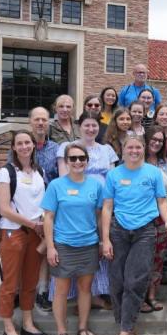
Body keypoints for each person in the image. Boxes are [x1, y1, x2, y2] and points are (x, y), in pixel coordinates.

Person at [98, 136, 167, 335]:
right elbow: (107, 207)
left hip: (145, 231)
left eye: (138, 147)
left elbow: (162, 201)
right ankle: (126, 326)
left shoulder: (153, 173)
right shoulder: (114, 174)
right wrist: (105, 239)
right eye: (129, 147)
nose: (134, 150)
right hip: (118, 231)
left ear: (143, 149)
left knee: (135, 281)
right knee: (116, 281)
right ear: (123, 150)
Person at [42, 143, 104, 335]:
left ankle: (83, 327)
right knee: (61, 290)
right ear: (66, 162)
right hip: (64, 245)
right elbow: (48, 217)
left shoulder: (95, 186)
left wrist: (102, 239)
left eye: (81, 158)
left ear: (87, 161)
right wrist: (50, 247)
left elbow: (99, 215)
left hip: (88, 244)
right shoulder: (56, 186)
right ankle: (61, 332)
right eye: (73, 158)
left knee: (85, 289)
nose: (78, 162)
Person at [56, 112, 118, 311]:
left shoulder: (106, 149)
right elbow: (63, 176)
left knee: (98, 249)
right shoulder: (67, 148)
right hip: (75, 206)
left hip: (101, 204)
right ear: (79, 126)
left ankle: (96, 294)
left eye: (94, 126)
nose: (91, 129)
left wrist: (108, 204)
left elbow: (111, 178)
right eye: (87, 125)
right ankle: (75, 296)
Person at [0, 129, 47, 335]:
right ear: (14, 148)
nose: (25, 146)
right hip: (13, 232)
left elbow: (42, 203)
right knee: (10, 282)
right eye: (20, 143)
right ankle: (8, 327)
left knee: (30, 280)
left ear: (33, 145)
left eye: (28, 142)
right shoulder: (6, 172)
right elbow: (4, 209)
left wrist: (43, 222)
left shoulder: (39, 171)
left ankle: (27, 322)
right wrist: (32, 224)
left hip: (36, 233)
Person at [28, 106, 60, 312]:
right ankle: (23, 290)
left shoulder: (56, 149)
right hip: (26, 207)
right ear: (30, 122)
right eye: (37, 119)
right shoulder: (22, 145)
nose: (41, 123)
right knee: (29, 250)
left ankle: (43, 291)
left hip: (49, 207)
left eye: (44, 120)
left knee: (46, 248)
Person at [142, 127, 167, 314]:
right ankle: (140, 297)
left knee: (158, 259)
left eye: (160, 140)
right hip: (143, 217)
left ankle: (152, 295)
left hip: (164, 217)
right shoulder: (137, 161)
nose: (156, 142)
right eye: (153, 139)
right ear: (146, 140)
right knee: (142, 259)